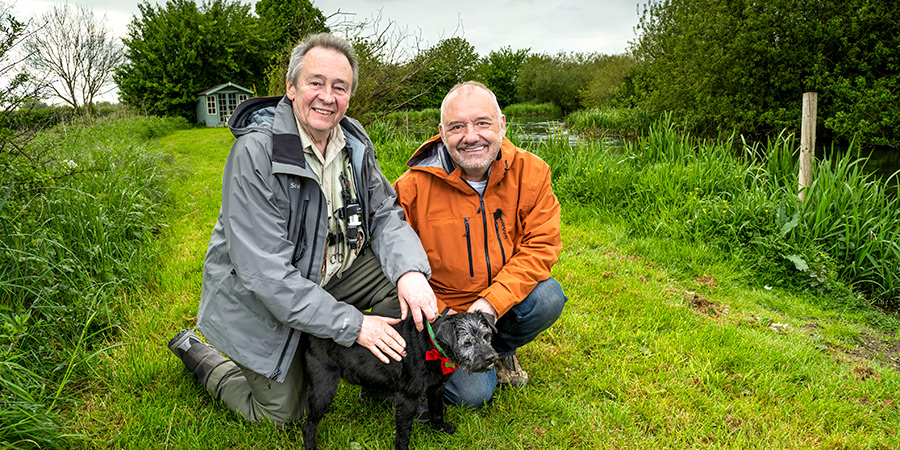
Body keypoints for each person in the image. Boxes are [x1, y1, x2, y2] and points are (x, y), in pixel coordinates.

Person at [167, 33, 438, 427]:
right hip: (263, 296)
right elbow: (266, 274)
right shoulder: (256, 152)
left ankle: (379, 381)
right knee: (285, 412)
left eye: (339, 87)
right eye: (316, 82)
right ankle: (198, 354)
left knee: (410, 300)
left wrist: (411, 272)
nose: (327, 96)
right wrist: (355, 325)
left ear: (349, 97)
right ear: (291, 88)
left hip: (336, 273)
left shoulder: (355, 141)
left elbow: (383, 213)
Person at [393, 81, 567, 408]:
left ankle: (499, 350)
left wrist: (492, 302)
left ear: (501, 124)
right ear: (442, 132)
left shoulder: (533, 172)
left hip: (501, 299)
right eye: (458, 126)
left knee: (547, 297)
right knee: (472, 396)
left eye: (482, 123)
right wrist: (444, 318)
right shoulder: (412, 186)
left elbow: (541, 245)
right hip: (444, 310)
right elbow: (391, 251)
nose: (471, 136)